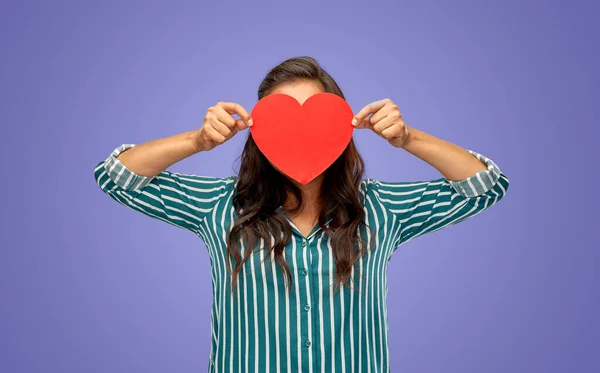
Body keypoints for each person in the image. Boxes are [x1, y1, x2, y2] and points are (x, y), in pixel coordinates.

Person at [94, 56, 509, 373]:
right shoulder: (221, 205)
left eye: (313, 112)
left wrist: (407, 138)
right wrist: (197, 141)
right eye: (283, 115)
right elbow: (116, 176)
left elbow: (486, 186)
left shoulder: (379, 209)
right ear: (258, 131)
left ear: (343, 126)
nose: (300, 128)